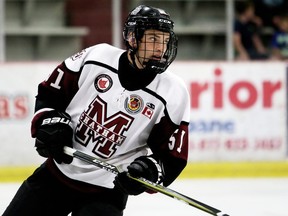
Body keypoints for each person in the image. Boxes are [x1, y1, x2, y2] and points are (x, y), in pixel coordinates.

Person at [3, 4, 190, 216]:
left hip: (107, 191)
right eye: (154, 39)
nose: (161, 48)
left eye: (165, 41)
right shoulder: (97, 57)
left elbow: (172, 158)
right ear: (132, 38)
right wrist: (50, 122)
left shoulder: (174, 92)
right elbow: (50, 94)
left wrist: (148, 170)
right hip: (56, 177)